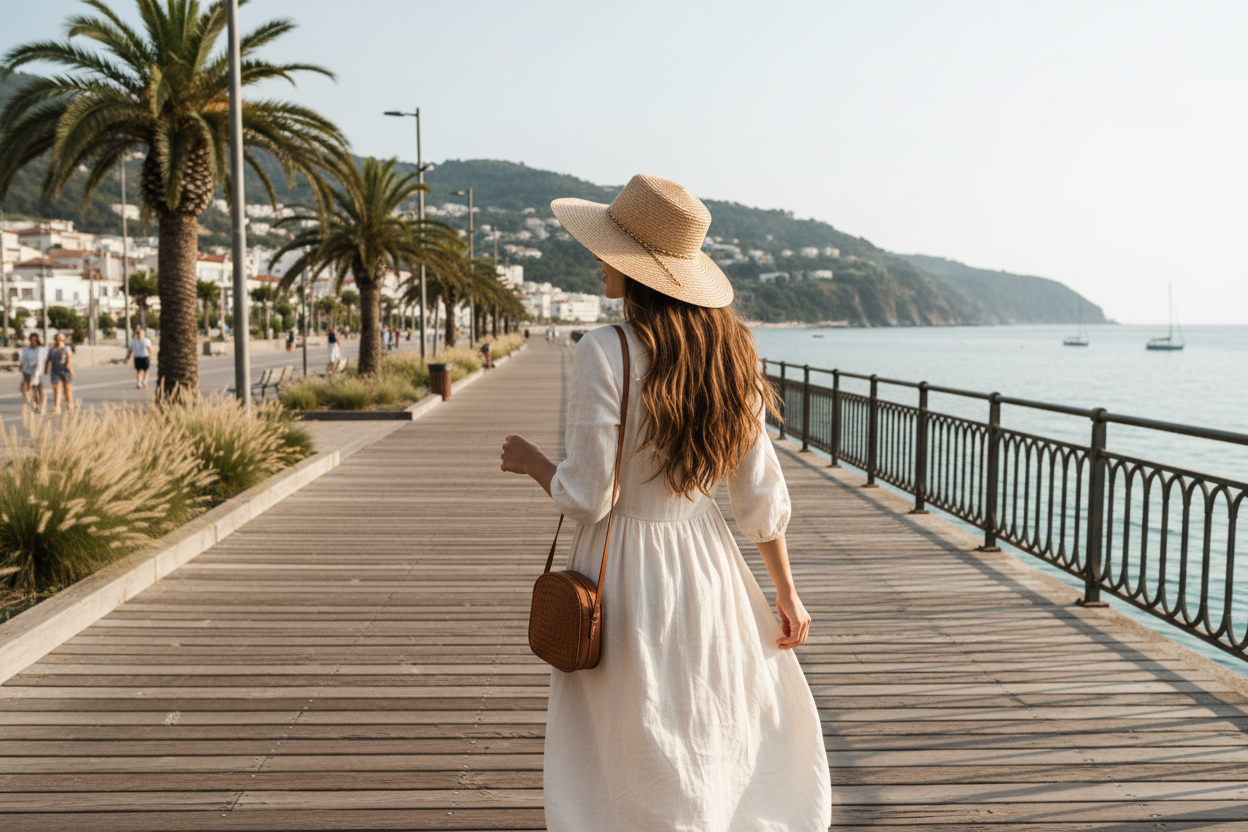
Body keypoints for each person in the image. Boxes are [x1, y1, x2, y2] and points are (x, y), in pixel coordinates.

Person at [500, 175, 831, 831]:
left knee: (633, 730)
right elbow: (759, 493)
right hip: (707, 562)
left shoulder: (604, 351)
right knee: (707, 716)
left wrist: (537, 465)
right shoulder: (729, 356)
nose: (598, 261)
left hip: (622, 567)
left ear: (635, 268)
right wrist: (786, 593)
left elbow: (590, 497)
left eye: (608, 250)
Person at [44, 332, 75, 414]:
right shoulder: (52, 349)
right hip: (55, 370)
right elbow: (48, 360)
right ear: (55, 339)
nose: (59, 339)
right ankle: (57, 407)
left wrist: (70, 369)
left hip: (65, 370)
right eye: (57, 337)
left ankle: (70, 405)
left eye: (61, 337)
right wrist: (46, 368)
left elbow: (68, 359)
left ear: (64, 339)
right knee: (56, 389)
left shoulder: (66, 348)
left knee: (67, 389)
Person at [19, 333, 46, 414]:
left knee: (37, 388)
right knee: (24, 387)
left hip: (37, 370)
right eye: (31, 339)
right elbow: (23, 359)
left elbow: (42, 361)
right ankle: (31, 403)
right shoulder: (26, 349)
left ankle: (39, 404)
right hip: (27, 369)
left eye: (35, 340)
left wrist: (38, 372)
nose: (33, 341)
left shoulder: (40, 349)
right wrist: (21, 366)